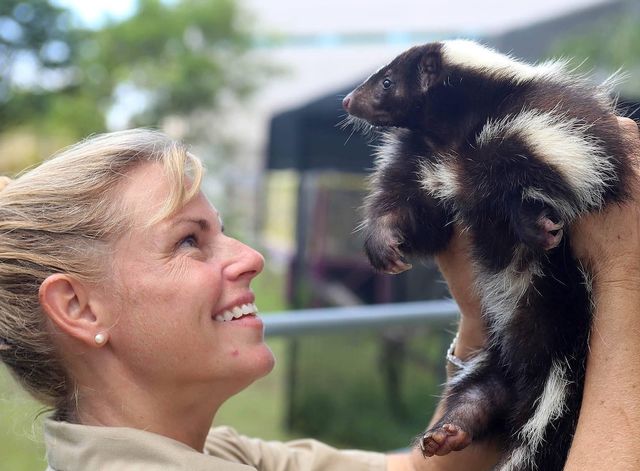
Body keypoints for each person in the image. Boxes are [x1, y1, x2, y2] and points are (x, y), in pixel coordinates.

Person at [0, 120, 638, 471]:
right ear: (79, 309)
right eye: (190, 242)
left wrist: (479, 316)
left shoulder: (205, 449)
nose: (249, 258)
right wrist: (625, 277)